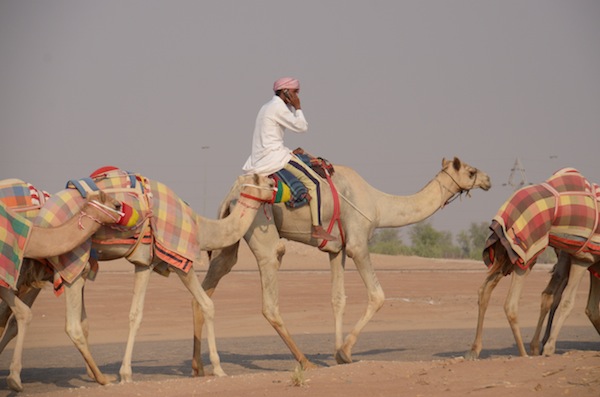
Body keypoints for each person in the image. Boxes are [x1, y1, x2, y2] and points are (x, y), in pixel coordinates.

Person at [242, 77, 337, 241]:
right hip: (274, 157)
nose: (297, 96)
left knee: (299, 157)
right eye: (295, 92)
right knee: (314, 184)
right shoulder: (278, 108)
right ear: (285, 92)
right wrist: (298, 108)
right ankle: (317, 227)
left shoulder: (266, 106)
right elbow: (302, 127)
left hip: (261, 157)